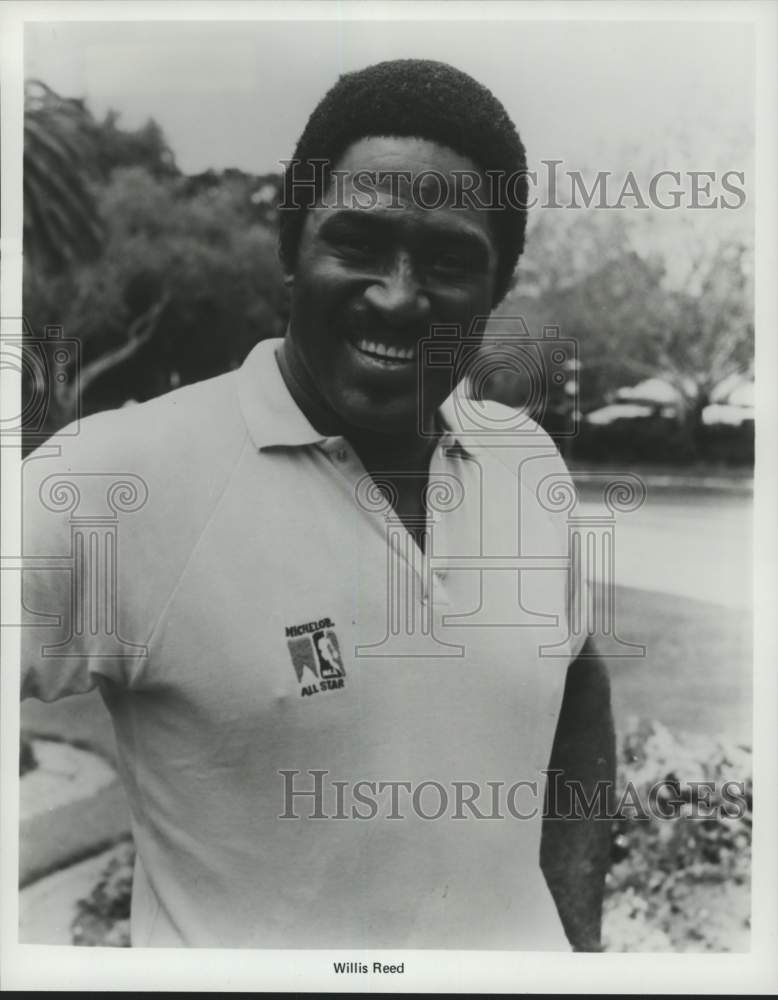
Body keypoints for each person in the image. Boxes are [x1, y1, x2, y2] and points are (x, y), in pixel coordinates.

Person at [21, 58, 615, 950]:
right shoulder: (115, 479)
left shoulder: (525, 462)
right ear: (292, 249)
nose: (400, 295)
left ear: (495, 292)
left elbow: (577, 680)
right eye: (359, 243)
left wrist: (573, 943)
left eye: (451, 260)